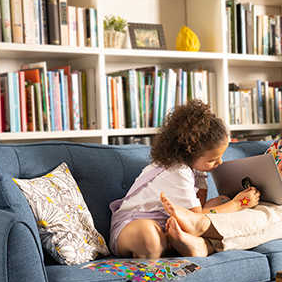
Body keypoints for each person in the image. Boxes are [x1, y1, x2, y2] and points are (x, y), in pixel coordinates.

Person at [162, 82, 282, 257]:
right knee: (240, 207)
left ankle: (202, 224)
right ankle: (203, 247)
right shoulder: (281, 145)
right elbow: (262, 175)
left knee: (277, 216)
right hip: (278, 203)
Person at [109, 100, 261, 259]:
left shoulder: (196, 170)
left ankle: (181, 242)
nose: (220, 163)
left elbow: (198, 210)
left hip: (170, 223)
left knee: (220, 202)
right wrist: (238, 204)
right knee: (150, 237)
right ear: (189, 153)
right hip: (132, 226)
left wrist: (224, 203)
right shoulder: (177, 170)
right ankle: (181, 243)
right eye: (212, 159)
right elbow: (196, 218)